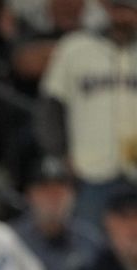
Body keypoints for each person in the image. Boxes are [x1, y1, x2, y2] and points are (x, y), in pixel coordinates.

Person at [38, 0, 137, 231]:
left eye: (129, 11)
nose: (122, 18)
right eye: (118, 10)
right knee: (87, 242)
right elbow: (50, 106)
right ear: (107, 11)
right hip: (90, 172)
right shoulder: (75, 47)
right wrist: (60, 155)